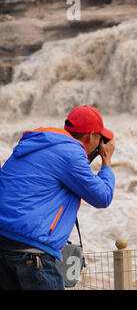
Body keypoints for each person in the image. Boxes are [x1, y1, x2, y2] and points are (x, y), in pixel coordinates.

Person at [0, 105, 116, 290]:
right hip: (32, 253)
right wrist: (106, 162)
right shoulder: (70, 153)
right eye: (100, 138)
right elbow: (103, 197)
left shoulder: (40, 144)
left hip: (4, 244)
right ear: (90, 137)